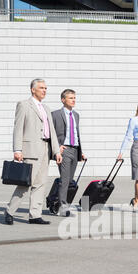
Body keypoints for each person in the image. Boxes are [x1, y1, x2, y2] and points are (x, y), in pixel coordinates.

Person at [5, 79, 61, 225]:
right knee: (25, 183)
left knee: (41, 183)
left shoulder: (46, 108)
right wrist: (17, 149)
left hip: (45, 149)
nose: (44, 90)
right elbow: (18, 128)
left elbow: (52, 132)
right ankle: (10, 211)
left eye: (46, 88)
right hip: (30, 150)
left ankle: (35, 215)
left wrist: (56, 151)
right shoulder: (24, 105)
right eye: (41, 88)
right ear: (33, 89)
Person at [52, 89, 86, 217]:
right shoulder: (55, 114)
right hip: (64, 150)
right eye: (71, 98)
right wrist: (56, 148)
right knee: (65, 180)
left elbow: (76, 134)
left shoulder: (76, 115)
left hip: (75, 150)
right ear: (63, 100)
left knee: (69, 180)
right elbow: (52, 133)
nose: (73, 100)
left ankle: (56, 202)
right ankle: (62, 207)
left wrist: (80, 151)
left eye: (74, 98)